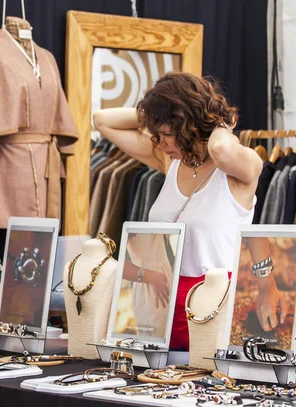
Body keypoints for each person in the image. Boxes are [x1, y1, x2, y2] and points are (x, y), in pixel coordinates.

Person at [94, 72, 263, 350]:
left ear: (188, 124)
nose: (159, 144)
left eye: (166, 134)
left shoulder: (240, 169)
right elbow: (102, 120)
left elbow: (219, 149)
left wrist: (215, 119)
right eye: (155, 134)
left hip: (210, 307)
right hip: (155, 308)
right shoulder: (169, 160)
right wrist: (154, 113)